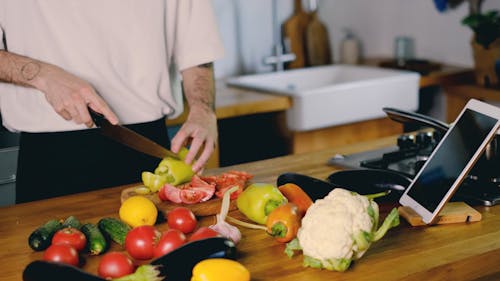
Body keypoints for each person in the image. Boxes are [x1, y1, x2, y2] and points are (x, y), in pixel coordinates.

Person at [0, 1, 224, 203]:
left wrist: (203, 109)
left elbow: (197, 49)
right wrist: (43, 76)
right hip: (49, 160)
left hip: (149, 150)